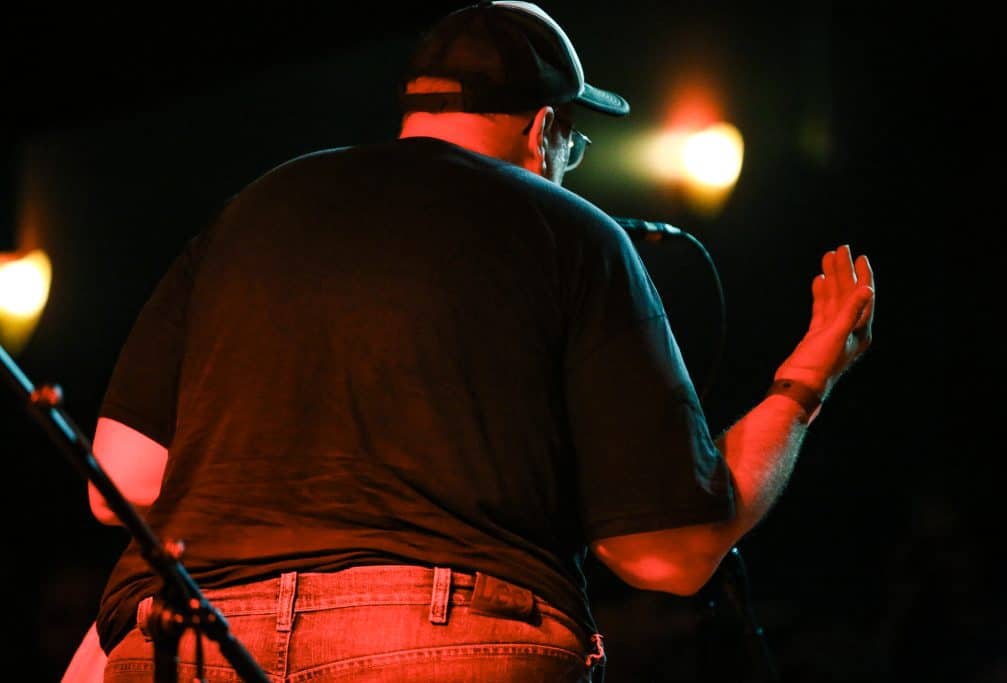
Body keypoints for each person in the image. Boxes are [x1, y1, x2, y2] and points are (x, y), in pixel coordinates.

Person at [74, 1, 875, 681]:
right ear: (545, 130)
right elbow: (667, 549)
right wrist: (808, 379)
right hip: (447, 640)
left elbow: (120, 478)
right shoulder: (575, 232)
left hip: (195, 635)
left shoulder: (250, 211)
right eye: (572, 146)